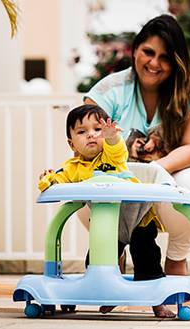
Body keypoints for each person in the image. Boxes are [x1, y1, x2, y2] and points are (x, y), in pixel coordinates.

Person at [79, 13, 190, 282]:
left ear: (177, 60)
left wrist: (150, 173)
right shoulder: (109, 89)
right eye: (148, 52)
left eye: (165, 57)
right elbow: (87, 142)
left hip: (170, 178)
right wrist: (126, 178)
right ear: (135, 52)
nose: (154, 63)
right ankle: (110, 257)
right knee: (87, 181)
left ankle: (176, 261)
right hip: (117, 178)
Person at [38, 104, 175, 318]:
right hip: (107, 223)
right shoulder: (73, 168)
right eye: (82, 132)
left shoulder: (110, 157)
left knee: (146, 257)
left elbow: (117, 150)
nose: (91, 135)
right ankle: (109, 294)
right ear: (71, 143)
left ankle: (156, 302)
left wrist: (111, 138)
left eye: (97, 129)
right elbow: (59, 178)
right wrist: (48, 179)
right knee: (97, 260)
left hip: (139, 217)